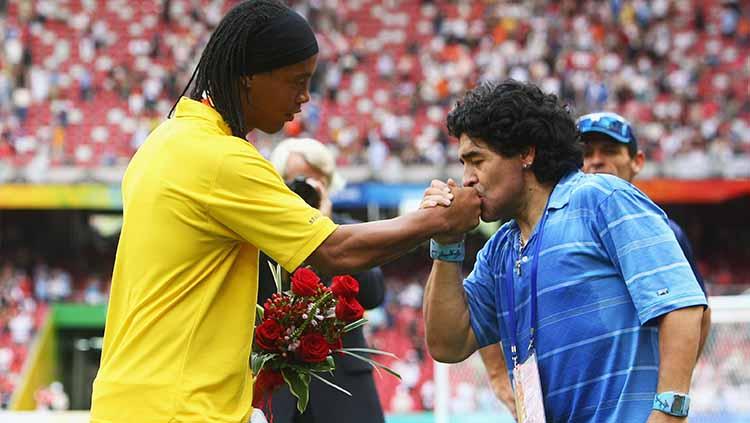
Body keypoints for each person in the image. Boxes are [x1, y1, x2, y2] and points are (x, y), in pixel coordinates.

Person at [89, 2, 481, 423]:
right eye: (296, 80)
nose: (304, 97)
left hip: (125, 399)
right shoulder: (222, 159)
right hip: (181, 407)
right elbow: (334, 251)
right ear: (249, 77)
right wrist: (440, 219)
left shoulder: (161, 143)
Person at [421, 80, 706, 422]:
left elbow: (682, 306)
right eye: (464, 164)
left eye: (476, 160)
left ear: (526, 153)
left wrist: (668, 415)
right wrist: (448, 244)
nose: (466, 179)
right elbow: (447, 343)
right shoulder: (499, 250)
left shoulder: (600, 198)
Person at [257, 137, 386, 423]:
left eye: (314, 179)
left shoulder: (349, 231)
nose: (305, 187)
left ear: (328, 183)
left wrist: (326, 229)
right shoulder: (264, 238)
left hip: (346, 389)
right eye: (295, 180)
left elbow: (374, 294)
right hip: (282, 389)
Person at [577, 111, 711, 355]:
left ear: (637, 161)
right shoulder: (553, 233)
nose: (595, 161)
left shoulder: (666, 233)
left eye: (608, 150)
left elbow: (698, 315)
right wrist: (498, 375)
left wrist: (674, 385)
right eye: (585, 153)